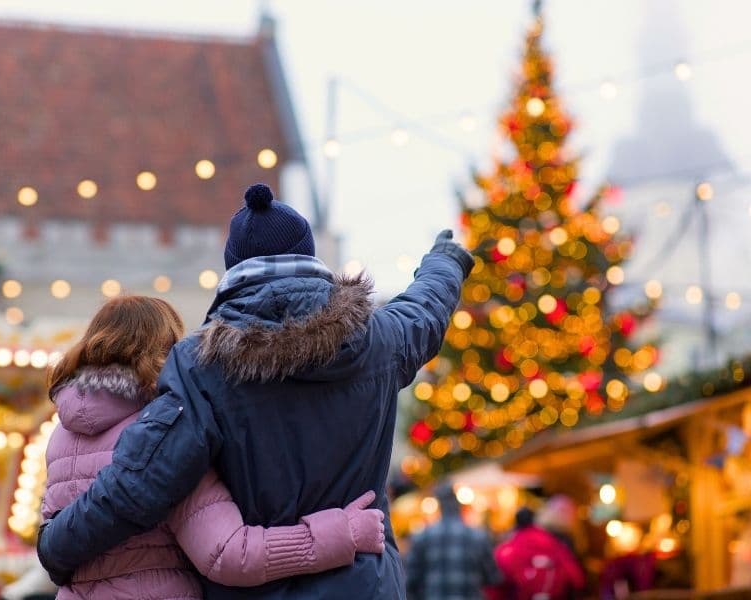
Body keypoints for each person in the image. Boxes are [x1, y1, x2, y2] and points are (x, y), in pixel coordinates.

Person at [38, 183, 474, 599]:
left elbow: (140, 484)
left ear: (234, 266)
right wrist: (445, 260)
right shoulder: (379, 339)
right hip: (364, 583)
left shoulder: (200, 364)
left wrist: (58, 546)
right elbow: (424, 309)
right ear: (308, 254)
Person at [42, 295, 385, 599]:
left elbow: (54, 530)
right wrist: (344, 533)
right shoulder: (163, 434)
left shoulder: (62, 432)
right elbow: (229, 553)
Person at [405, 483, 501, 600]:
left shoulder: (422, 537)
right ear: (458, 506)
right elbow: (493, 577)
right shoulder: (478, 536)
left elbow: (410, 580)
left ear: (440, 505)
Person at [492, 507, 585, 600]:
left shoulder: (508, 548)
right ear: (535, 521)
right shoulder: (551, 541)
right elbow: (576, 577)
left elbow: (495, 581)